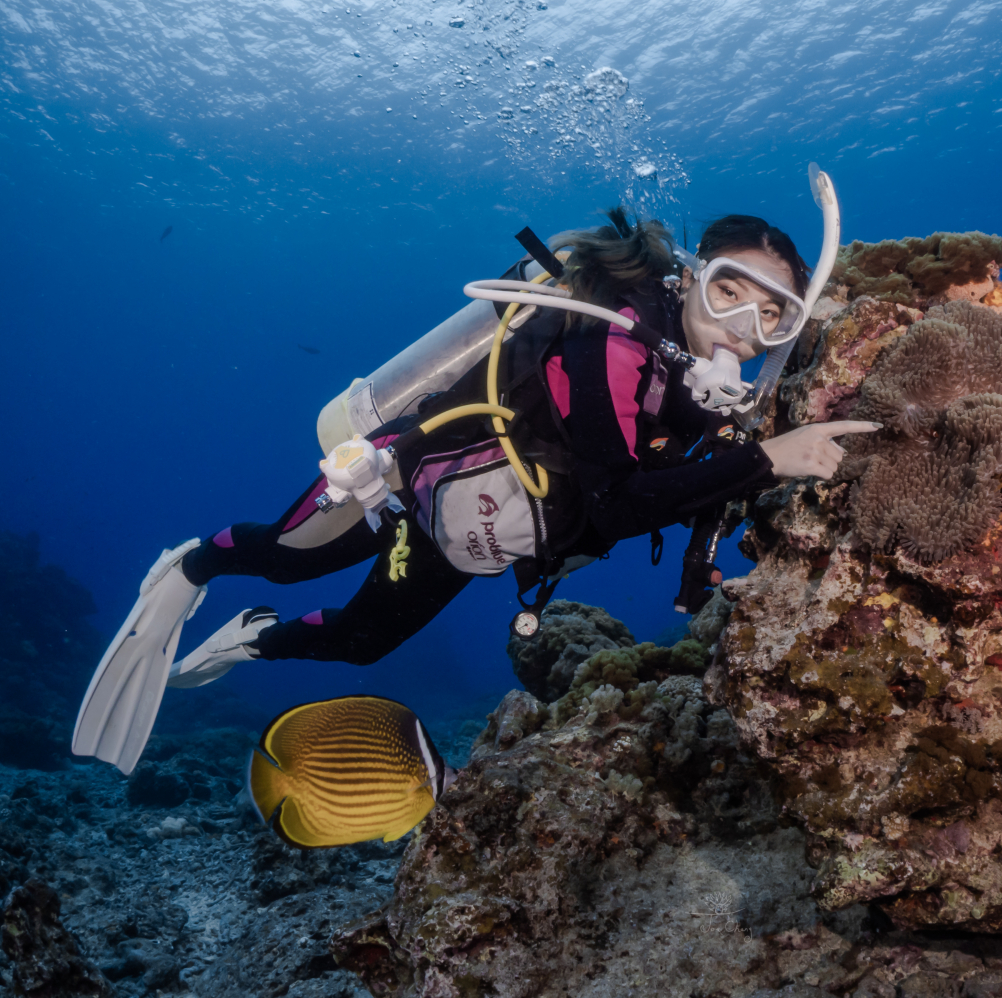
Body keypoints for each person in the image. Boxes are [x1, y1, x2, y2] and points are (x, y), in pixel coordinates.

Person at [73, 192, 878, 775]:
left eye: (771, 316)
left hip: (479, 523)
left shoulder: (713, 395)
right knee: (291, 557)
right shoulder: (619, 340)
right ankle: (192, 567)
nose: (740, 327)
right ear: (693, 277)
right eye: (728, 290)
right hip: (405, 473)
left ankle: (254, 637)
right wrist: (772, 459)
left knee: (360, 643)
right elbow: (613, 503)